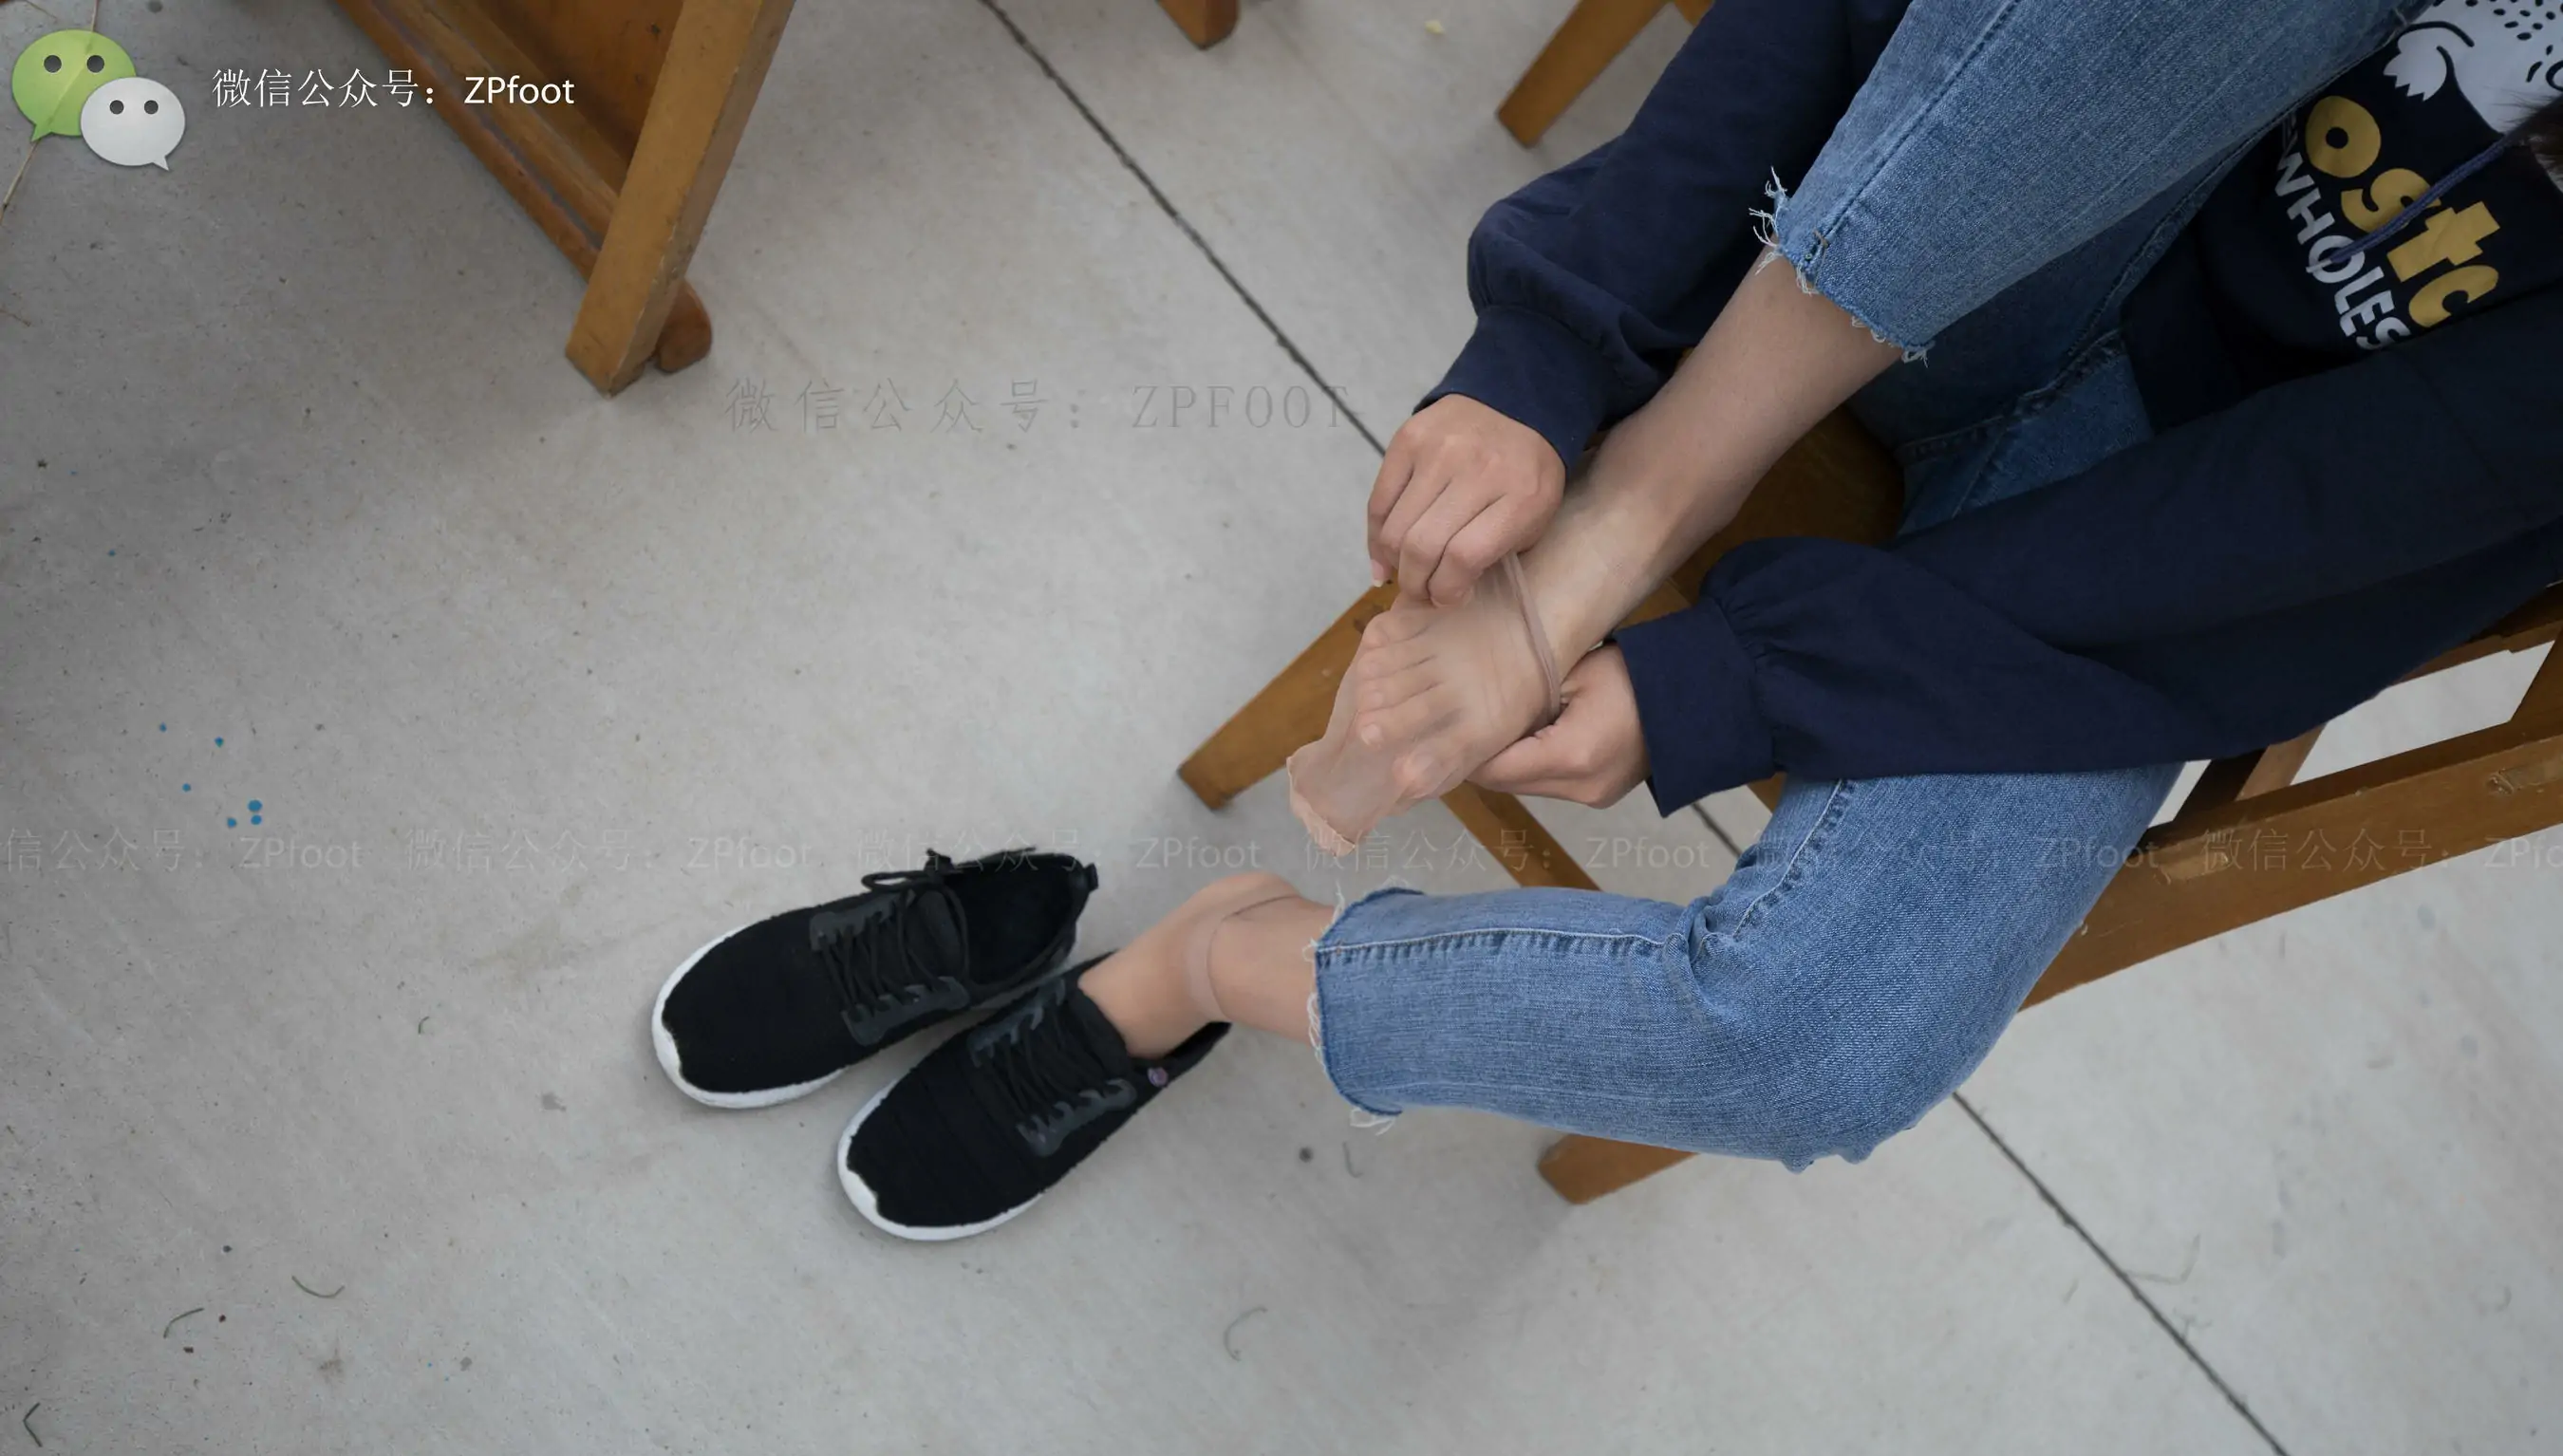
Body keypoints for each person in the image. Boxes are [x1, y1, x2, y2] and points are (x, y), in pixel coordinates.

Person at [652, 0, 2563, 1239]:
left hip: (2193, 549)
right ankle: (1660, 485)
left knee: (1821, 1045)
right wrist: (1557, 352)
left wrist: (1749, 675)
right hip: (1954, 220)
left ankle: (1202, 968)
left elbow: (2328, 519)